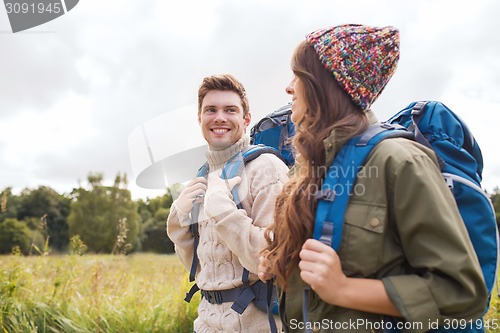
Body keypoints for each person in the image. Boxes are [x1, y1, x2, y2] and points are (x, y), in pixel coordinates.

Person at [258, 24, 488, 332]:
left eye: (298, 75)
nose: (289, 88)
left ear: (326, 86)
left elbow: (463, 292)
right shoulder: (309, 167)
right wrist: (279, 262)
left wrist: (343, 289)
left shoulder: (401, 161)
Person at [167, 74, 288, 332]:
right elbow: (200, 268)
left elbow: (271, 261)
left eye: (230, 110)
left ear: (246, 119)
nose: (219, 117)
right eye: (211, 110)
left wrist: (221, 207)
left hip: (256, 325)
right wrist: (179, 218)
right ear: (199, 118)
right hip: (206, 323)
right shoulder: (201, 176)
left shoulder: (266, 169)